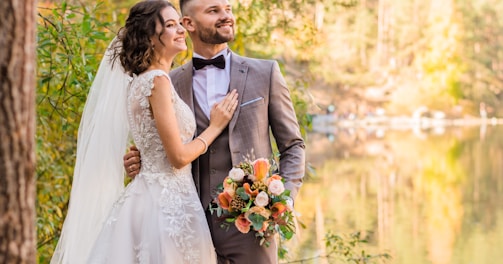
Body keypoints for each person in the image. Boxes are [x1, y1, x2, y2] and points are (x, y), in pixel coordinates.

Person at [51, 1, 239, 263]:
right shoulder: (158, 81)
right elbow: (177, 157)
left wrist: (139, 157)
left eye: (179, 23)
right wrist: (215, 127)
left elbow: (152, 144)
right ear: (151, 37)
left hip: (148, 198)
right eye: (170, 25)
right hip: (167, 206)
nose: (181, 30)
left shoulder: (140, 82)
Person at [124, 0, 306, 263]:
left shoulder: (265, 73)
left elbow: (293, 146)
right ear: (189, 24)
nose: (226, 16)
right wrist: (140, 160)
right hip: (185, 224)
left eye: (228, 9)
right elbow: (161, 144)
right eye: (213, 11)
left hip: (252, 229)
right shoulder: (166, 81)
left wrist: (283, 201)